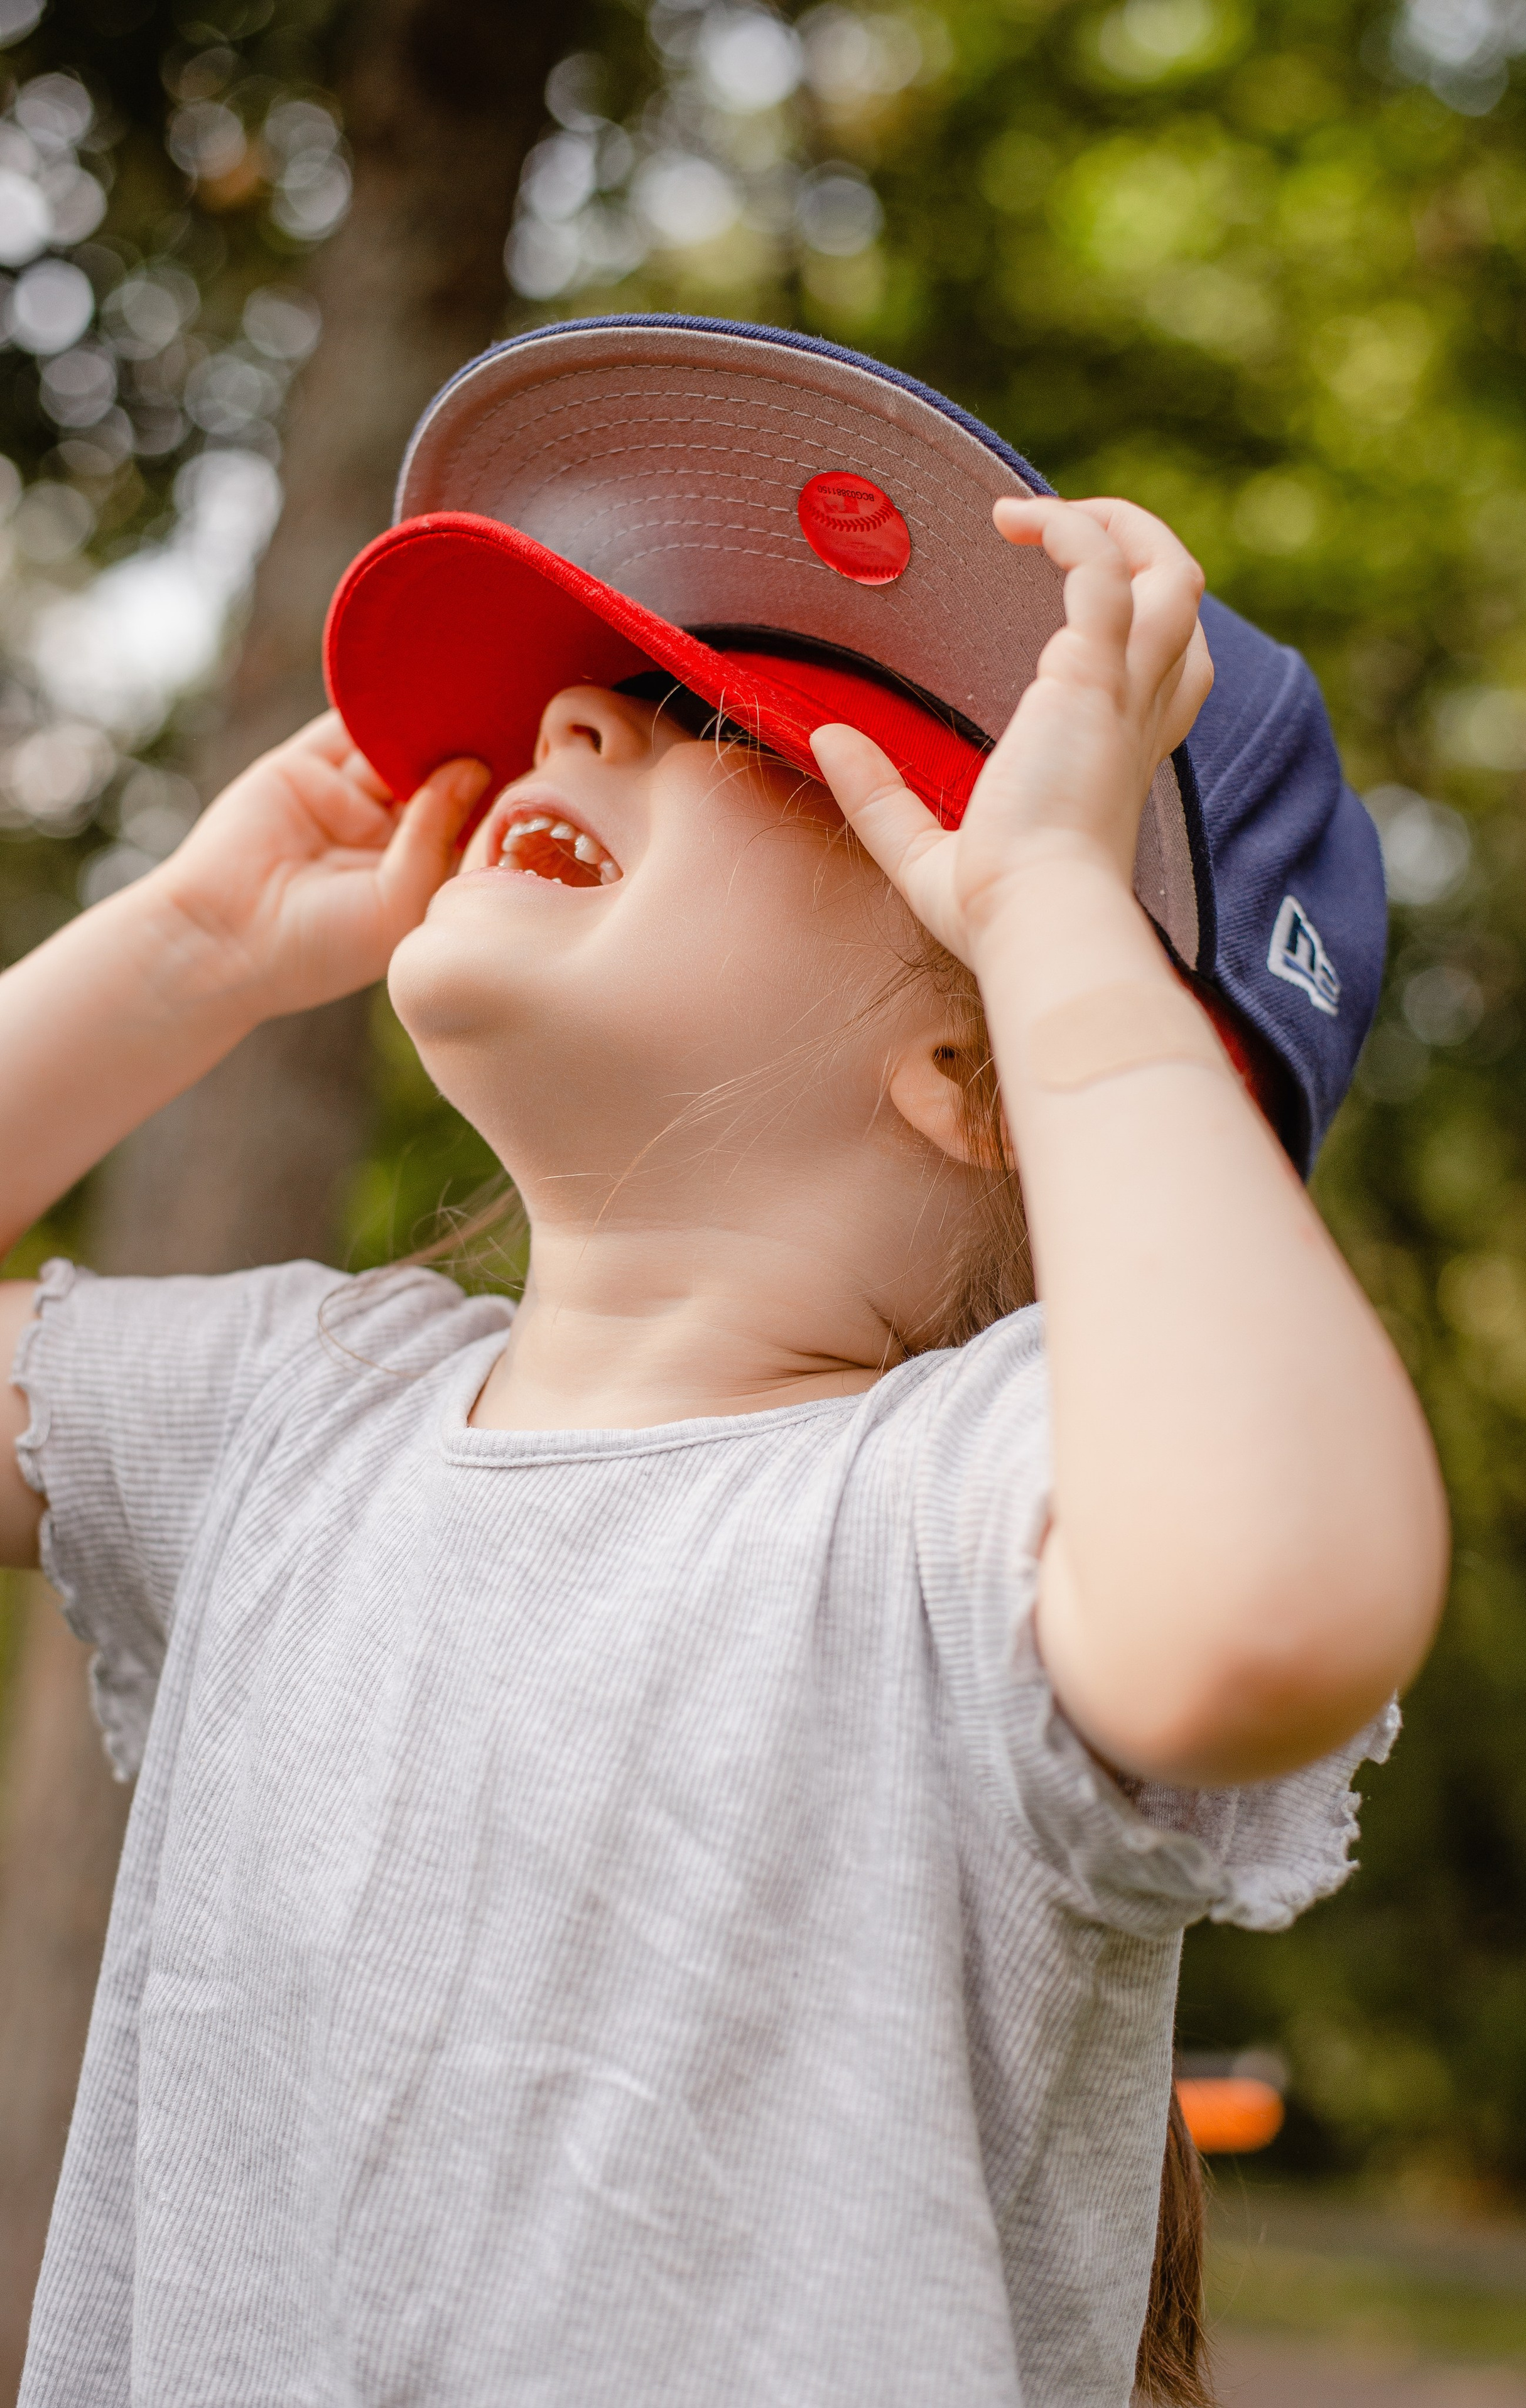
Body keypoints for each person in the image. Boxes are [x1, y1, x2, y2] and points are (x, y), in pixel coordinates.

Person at [0, 319, 1446, 2408]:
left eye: (726, 717)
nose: (576, 708)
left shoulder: (967, 1512)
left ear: (975, 1056)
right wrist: (177, 959)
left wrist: (1054, 907)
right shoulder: (281, 1424)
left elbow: (1271, 1611)